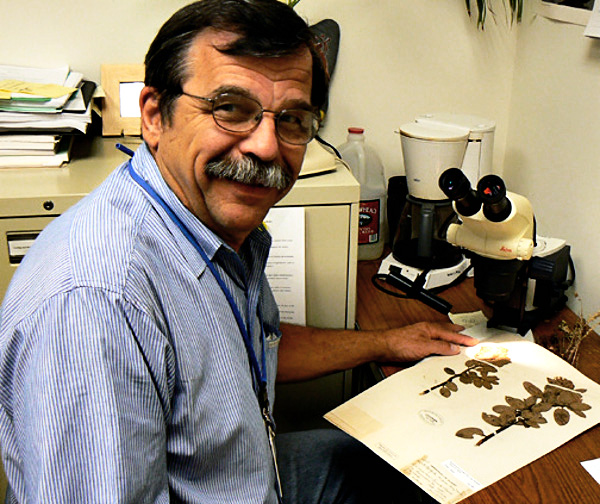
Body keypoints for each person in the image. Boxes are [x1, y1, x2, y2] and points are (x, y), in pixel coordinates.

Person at [0, 1, 478, 502]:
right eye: (230, 109)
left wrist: (386, 343)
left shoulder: (210, 227)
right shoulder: (97, 304)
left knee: (390, 462)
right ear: (154, 116)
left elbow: (247, 349)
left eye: (293, 118)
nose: (267, 146)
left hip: (245, 472)